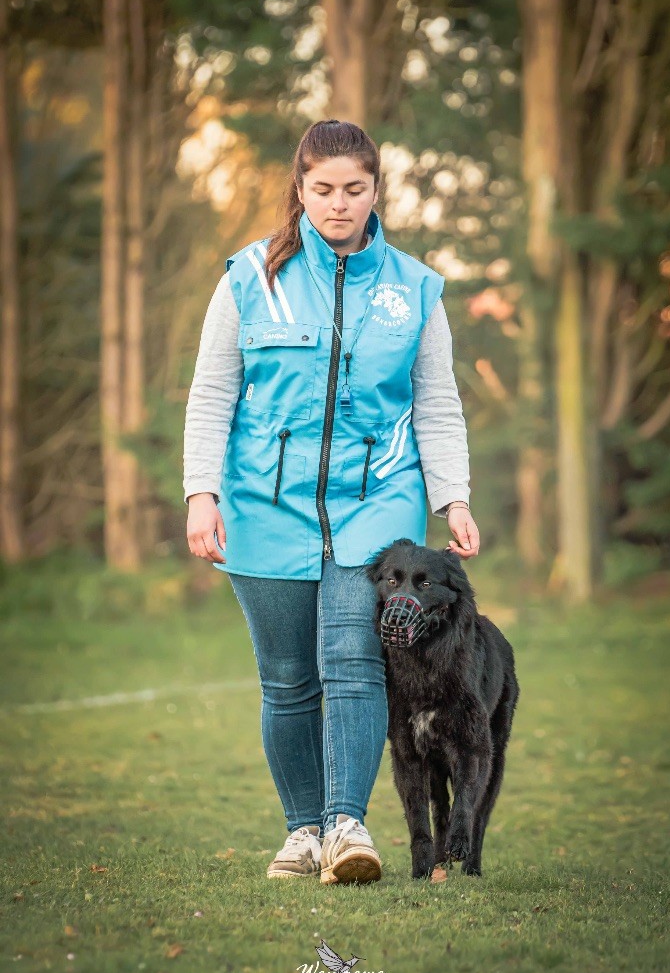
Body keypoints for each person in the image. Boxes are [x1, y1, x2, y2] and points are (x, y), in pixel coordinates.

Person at [183, 119, 480, 885]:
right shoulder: (250, 278)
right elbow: (213, 393)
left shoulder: (414, 288)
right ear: (300, 189)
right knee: (286, 679)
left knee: (354, 661)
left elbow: (437, 401)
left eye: (354, 189)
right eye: (323, 190)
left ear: (376, 190)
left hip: (377, 504)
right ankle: (302, 832)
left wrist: (452, 499)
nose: (339, 205)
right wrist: (201, 493)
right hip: (262, 506)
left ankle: (348, 826)